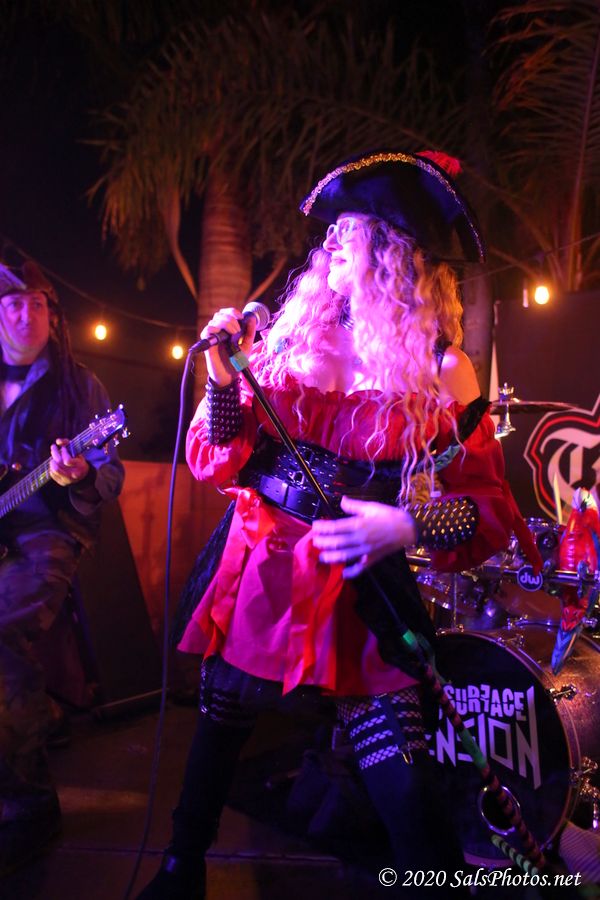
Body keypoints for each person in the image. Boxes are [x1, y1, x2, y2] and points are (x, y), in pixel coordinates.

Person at [136, 150, 539, 898]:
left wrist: (407, 528)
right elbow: (219, 456)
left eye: (349, 233)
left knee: (403, 779)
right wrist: (223, 378)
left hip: (362, 586)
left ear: (393, 253)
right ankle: (179, 868)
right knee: (220, 723)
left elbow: (488, 507)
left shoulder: (444, 368)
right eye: (333, 235)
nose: (330, 246)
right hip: (264, 565)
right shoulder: (290, 342)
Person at [0, 260, 124, 874]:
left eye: (38, 304)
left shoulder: (81, 387)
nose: (27, 314)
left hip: (49, 531)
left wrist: (78, 477)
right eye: (13, 304)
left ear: (53, 314)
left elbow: (110, 475)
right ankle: (41, 715)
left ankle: (30, 807)